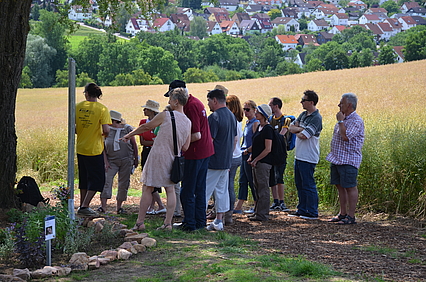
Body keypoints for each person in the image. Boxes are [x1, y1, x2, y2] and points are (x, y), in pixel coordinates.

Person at [121, 88, 191, 231]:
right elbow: (185, 147)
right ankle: (168, 223)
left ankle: (140, 222)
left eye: (170, 99)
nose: (168, 101)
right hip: (174, 158)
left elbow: (147, 126)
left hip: (158, 155)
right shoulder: (188, 122)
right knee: (170, 189)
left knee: (148, 188)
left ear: (176, 101)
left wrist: (129, 135)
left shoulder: (166, 115)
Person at [168, 81, 214, 232]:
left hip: (195, 153)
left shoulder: (191, 106)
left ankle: (189, 223)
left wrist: (178, 145)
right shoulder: (196, 102)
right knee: (199, 189)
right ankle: (200, 222)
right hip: (204, 151)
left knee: (187, 190)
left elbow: (196, 134)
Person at [326, 93, 364, 225]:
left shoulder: (356, 120)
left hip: (348, 160)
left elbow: (346, 136)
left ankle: (351, 216)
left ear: (349, 105)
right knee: (340, 187)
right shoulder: (344, 118)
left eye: (341, 103)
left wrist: (341, 121)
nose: (338, 105)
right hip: (337, 159)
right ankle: (342, 213)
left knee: (350, 187)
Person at [75, 83, 111, 216]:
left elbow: (74, 128)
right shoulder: (102, 109)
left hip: (81, 147)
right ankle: (85, 206)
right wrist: (104, 135)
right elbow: (106, 129)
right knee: (98, 179)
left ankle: (82, 206)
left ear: (87, 93)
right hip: (94, 149)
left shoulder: (78, 107)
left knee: (84, 178)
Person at [205, 88, 237, 231]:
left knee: (204, 190)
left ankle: (199, 219)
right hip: (226, 160)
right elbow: (234, 140)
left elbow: (209, 141)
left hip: (213, 160)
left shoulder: (214, 117)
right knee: (222, 191)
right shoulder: (232, 116)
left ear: (215, 100)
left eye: (209, 101)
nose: (208, 105)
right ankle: (219, 220)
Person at [288, 90, 323, 220]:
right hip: (299, 155)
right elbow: (291, 128)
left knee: (308, 184)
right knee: (300, 184)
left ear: (311, 102)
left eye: (304, 100)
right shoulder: (303, 114)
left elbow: (303, 136)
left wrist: (299, 130)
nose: (301, 102)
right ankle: (302, 209)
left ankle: (313, 211)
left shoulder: (316, 118)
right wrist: (301, 129)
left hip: (308, 156)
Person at [99, 110, 138, 214]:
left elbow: (134, 144)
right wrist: (105, 162)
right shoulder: (106, 130)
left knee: (124, 183)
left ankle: (119, 207)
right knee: (106, 180)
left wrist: (136, 159)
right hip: (111, 160)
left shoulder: (127, 129)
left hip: (126, 160)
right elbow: (103, 147)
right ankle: (103, 207)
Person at [246, 104, 274, 221]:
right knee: (257, 187)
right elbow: (257, 146)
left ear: (263, 115)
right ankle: (258, 212)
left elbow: (268, 149)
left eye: (258, 112)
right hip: (256, 162)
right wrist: (251, 156)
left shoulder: (267, 129)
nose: (255, 113)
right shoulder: (259, 127)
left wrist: (256, 159)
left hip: (263, 163)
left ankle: (263, 214)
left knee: (263, 188)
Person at [138, 100, 167, 215]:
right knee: (147, 178)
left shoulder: (160, 122)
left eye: (146, 109)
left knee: (154, 179)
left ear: (151, 110)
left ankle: (157, 205)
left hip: (156, 152)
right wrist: (152, 141)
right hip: (146, 152)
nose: (144, 110)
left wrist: (151, 142)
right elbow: (142, 141)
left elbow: (159, 139)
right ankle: (154, 205)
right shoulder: (142, 122)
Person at [234, 100, 259, 214]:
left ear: (254, 110)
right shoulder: (248, 123)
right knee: (242, 180)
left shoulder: (255, 123)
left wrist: (249, 151)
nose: (245, 112)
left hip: (249, 155)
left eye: (248, 110)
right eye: (244, 109)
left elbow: (257, 142)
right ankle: (239, 205)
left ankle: (257, 205)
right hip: (244, 154)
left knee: (252, 181)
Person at [268, 97, 291, 212]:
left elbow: (282, 134)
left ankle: (281, 202)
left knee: (279, 177)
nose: (269, 107)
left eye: (270, 105)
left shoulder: (286, 120)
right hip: (271, 152)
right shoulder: (270, 119)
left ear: (276, 106)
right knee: (272, 178)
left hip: (280, 152)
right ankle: (275, 201)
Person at [224, 94, 243, 224]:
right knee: (227, 185)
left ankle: (228, 213)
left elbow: (233, 141)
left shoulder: (232, 120)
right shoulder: (238, 121)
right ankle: (226, 212)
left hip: (231, 157)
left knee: (228, 186)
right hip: (237, 156)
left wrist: (227, 157)